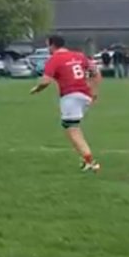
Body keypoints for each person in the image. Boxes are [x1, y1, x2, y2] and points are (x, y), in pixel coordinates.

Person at [30, 35, 101, 172]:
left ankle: (91, 162)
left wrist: (36, 89)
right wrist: (95, 92)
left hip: (71, 97)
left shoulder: (54, 59)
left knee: (72, 130)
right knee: (74, 128)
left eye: (47, 46)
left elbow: (45, 81)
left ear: (52, 45)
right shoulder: (79, 56)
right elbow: (96, 73)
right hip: (85, 96)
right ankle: (86, 159)